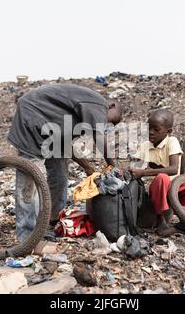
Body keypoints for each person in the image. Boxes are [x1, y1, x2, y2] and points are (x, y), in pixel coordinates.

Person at [8, 83, 122, 241]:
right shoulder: (98, 103)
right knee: (30, 181)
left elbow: (65, 146)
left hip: (49, 130)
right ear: (111, 106)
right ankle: (27, 236)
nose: (108, 126)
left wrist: (88, 168)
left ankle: (51, 219)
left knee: (59, 174)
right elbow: (99, 136)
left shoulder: (77, 116)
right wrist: (113, 167)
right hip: (31, 117)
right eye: (111, 122)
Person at [129, 109, 185, 237]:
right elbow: (135, 166)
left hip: (175, 188)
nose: (151, 132)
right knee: (162, 178)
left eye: (156, 130)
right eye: (149, 128)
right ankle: (161, 221)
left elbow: (174, 169)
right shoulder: (145, 145)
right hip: (155, 192)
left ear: (168, 131)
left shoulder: (172, 141)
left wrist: (144, 173)